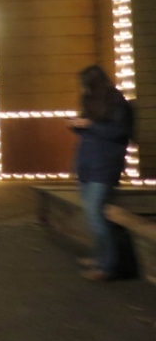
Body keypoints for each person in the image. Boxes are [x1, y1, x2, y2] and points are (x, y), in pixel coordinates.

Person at [67, 65, 134, 282]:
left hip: (105, 165)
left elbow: (119, 132)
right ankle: (101, 258)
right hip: (88, 164)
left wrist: (90, 125)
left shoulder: (117, 103)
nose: (82, 89)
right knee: (93, 214)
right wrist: (77, 125)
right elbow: (89, 128)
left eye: (85, 85)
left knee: (95, 213)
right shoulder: (90, 101)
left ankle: (108, 266)